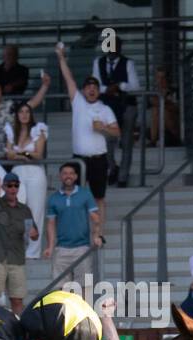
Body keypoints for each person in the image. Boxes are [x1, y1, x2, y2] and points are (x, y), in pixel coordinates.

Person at [54, 45, 118, 223]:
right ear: (83, 90)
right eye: (88, 87)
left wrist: (103, 128)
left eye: (94, 87)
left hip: (99, 159)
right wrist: (61, 58)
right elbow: (69, 79)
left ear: (99, 91)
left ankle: (98, 232)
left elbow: (117, 132)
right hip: (79, 159)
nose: (91, 90)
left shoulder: (105, 109)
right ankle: (79, 230)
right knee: (74, 196)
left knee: (99, 198)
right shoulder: (78, 103)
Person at [0, 170, 36, 311]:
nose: (13, 188)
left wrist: (34, 234)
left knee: (17, 299)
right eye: (9, 185)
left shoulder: (25, 210)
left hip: (17, 258)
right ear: (3, 187)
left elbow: (34, 233)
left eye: (15, 185)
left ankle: (17, 329)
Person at [4, 93, 51, 258]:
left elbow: (39, 154)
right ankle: (18, 247)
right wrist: (24, 154)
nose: (24, 115)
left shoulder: (39, 129)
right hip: (18, 171)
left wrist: (21, 153)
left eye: (27, 112)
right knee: (17, 208)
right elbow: (9, 155)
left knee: (36, 210)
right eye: (21, 112)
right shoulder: (11, 131)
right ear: (17, 114)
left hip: (35, 170)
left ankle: (33, 252)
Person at [92, 43, 139, 189]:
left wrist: (120, 86)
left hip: (126, 106)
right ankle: (112, 168)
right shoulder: (97, 62)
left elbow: (135, 86)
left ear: (119, 48)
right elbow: (94, 85)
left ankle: (123, 176)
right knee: (106, 141)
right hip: (107, 106)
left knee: (126, 142)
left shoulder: (128, 63)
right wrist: (107, 89)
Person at [44, 162, 102, 278]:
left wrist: (96, 236)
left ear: (76, 176)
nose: (68, 176)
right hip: (61, 249)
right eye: (65, 173)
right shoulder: (53, 198)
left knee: (85, 287)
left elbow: (95, 218)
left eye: (71, 173)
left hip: (82, 247)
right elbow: (50, 224)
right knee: (61, 290)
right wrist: (50, 247)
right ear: (60, 176)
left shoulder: (85, 194)